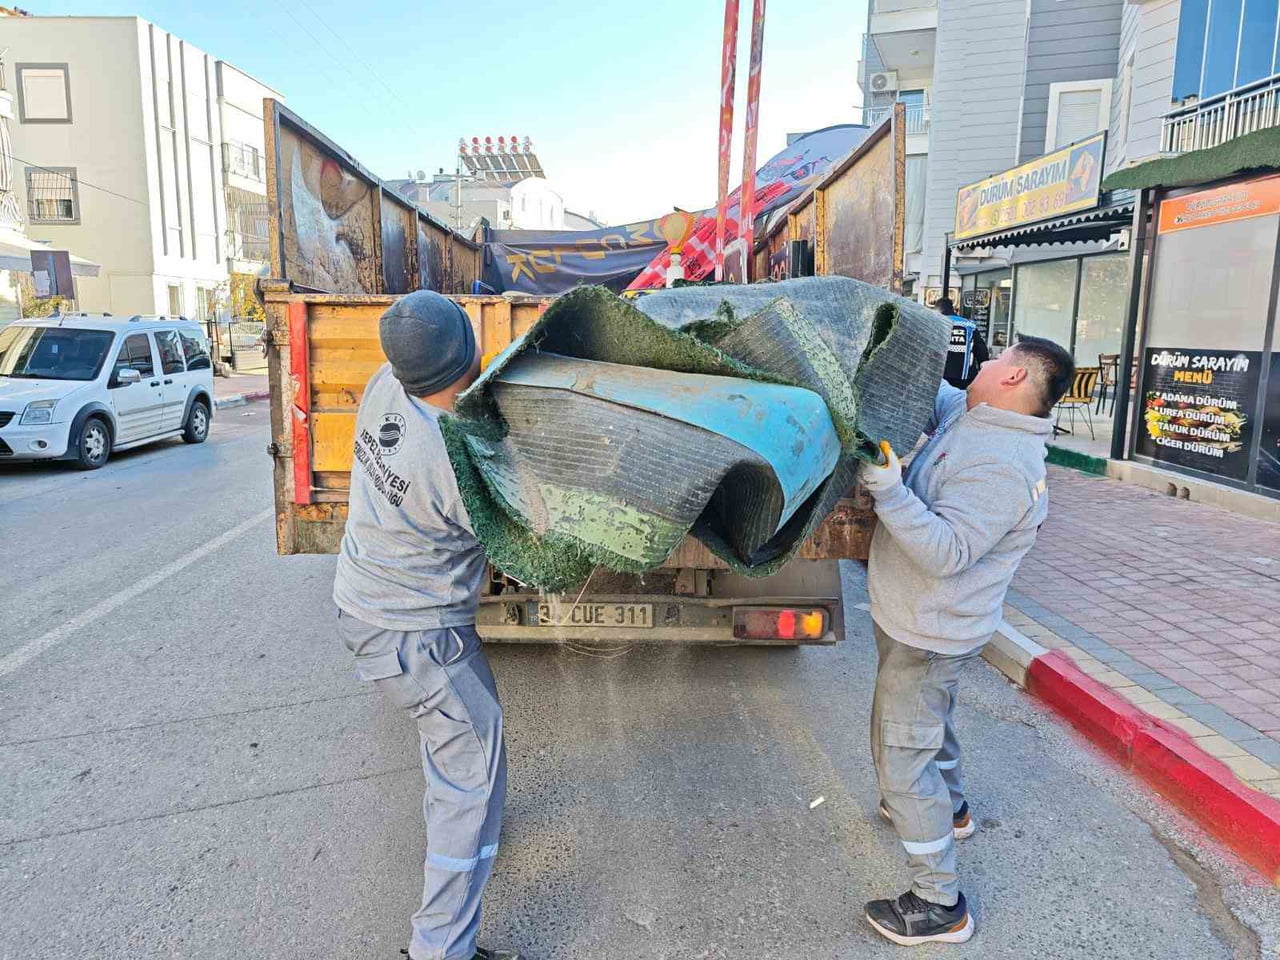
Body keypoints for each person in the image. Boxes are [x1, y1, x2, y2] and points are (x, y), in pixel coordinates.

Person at [856, 336, 1075, 946]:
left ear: (1016, 378)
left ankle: (938, 904)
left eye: (997, 358)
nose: (983, 363)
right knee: (930, 722)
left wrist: (889, 489)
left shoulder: (1005, 464)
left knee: (901, 751)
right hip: (919, 622)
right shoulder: (974, 413)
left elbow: (948, 553)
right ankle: (952, 810)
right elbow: (934, 392)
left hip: (931, 628)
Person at [333, 290, 516, 960]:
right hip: (420, 637)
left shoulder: (386, 383)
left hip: (361, 605)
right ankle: (439, 950)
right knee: (473, 766)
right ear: (468, 358)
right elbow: (522, 540)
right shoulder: (453, 462)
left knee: (454, 749)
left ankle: (459, 817)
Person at [936, 297, 989, 390]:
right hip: (965, 378)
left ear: (938, 310)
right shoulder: (969, 325)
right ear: (952, 309)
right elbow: (981, 351)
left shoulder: (937, 324)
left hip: (941, 377)